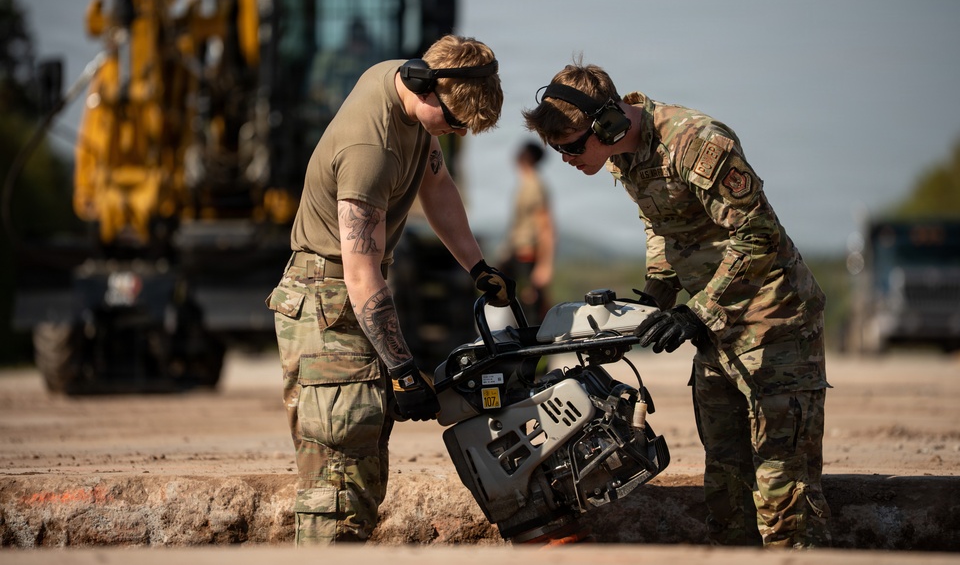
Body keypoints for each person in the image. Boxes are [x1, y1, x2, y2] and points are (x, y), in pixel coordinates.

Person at [522, 57, 832, 549]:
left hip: (775, 330)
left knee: (783, 496)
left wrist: (693, 313)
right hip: (717, 333)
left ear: (608, 123)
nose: (566, 158)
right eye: (557, 149)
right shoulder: (625, 156)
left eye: (572, 146)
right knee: (726, 493)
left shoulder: (697, 143)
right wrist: (648, 306)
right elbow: (664, 232)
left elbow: (757, 236)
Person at [267, 34, 515, 546]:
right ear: (427, 88)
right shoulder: (369, 149)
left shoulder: (402, 84)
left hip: (350, 292)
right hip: (328, 298)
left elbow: (437, 186)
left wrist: (478, 268)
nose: (457, 131)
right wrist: (403, 371)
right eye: (453, 121)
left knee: (364, 461)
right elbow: (361, 273)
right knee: (339, 474)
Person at [497, 140, 556, 325]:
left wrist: (544, 265)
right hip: (517, 253)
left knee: (530, 310)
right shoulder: (526, 183)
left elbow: (546, 226)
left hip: (528, 254)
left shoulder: (535, 185)